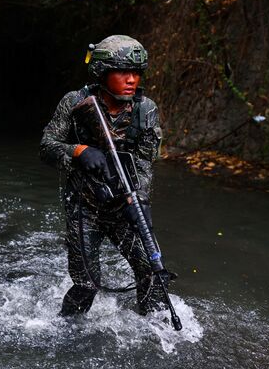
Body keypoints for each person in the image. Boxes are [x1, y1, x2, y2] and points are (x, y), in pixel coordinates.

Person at [40, 35, 174, 316]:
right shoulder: (75, 102)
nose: (132, 79)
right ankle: (67, 332)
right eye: (123, 71)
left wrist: (141, 201)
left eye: (136, 73)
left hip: (124, 205)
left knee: (152, 270)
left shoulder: (144, 109)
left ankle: (155, 331)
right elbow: (47, 147)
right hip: (84, 207)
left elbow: (145, 161)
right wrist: (78, 151)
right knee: (87, 284)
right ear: (102, 72)